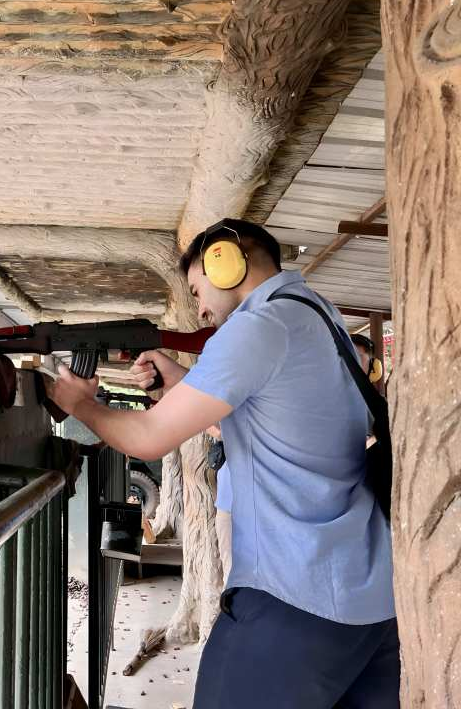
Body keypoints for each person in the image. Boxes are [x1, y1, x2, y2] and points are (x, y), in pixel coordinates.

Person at [46, 219, 397, 708]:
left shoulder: (258, 327)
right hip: (373, 602)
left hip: (293, 598)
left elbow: (146, 439)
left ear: (226, 262)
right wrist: (176, 386)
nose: (200, 308)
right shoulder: (323, 318)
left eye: (196, 289)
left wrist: (80, 403)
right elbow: (271, 425)